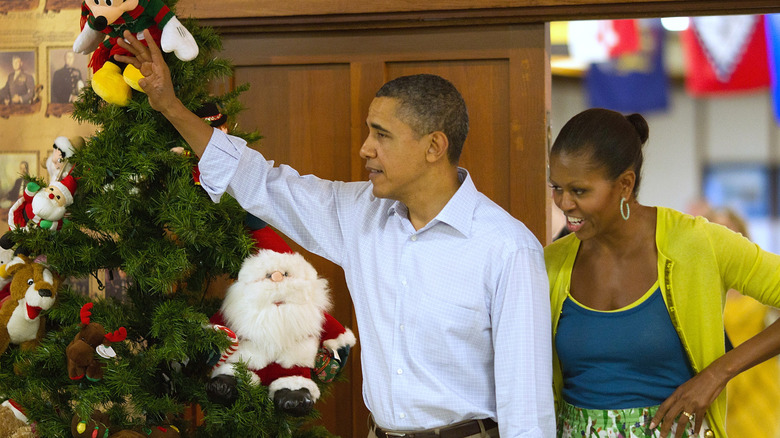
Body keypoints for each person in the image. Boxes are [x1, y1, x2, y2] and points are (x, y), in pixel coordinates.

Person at [116, 29, 555, 437]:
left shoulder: (507, 248)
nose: (366, 148)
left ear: (434, 146)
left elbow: (528, 407)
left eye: (381, 135)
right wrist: (170, 106)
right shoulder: (359, 214)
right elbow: (259, 182)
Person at [545, 107, 780, 438]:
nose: (564, 203)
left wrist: (717, 374)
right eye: (556, 187)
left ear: (625, 184)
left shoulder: (698, 242)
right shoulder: (551, 263)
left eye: (579, 191)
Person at [702, 207, 780, 438]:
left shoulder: (760, 282)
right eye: (717, 231)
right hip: (718, 382)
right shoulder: (703, 287)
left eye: (729, 230)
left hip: (758, 379)